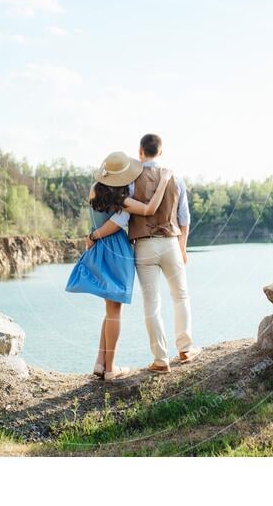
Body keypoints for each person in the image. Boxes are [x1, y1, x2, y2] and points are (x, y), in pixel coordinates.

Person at [90, 134, 201, 374]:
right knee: (180, 296)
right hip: (171, 242)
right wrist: (183, 246)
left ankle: (160, 360)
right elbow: (184, 218)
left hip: (143, 245)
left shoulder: (130, 181)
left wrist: (94, 235)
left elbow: (123, 216)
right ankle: (185, 348)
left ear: (140, 152)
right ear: (160, 152)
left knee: (152, 302)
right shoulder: (175, 177)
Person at [65, 151, 173, 381]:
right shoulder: (122, 201)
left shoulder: (94, 189)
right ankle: (111, 369)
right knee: (115, 312)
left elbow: (101, 221)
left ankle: (100, 363)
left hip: (100, 249)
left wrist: (93, 236)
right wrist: (163, 181)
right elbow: (149, 210)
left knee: (109, 310)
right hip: (117, 251)